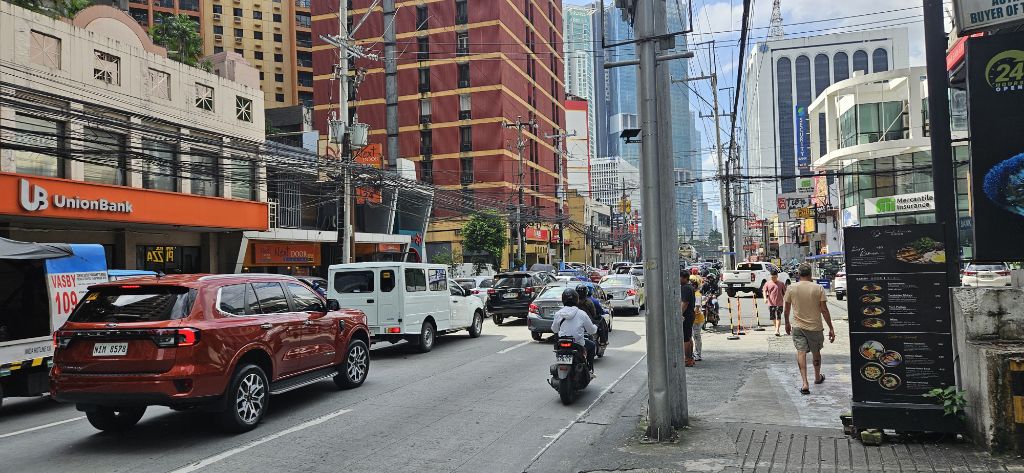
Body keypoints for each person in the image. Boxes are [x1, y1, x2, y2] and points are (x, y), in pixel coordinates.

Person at [784, 263, 836, 395]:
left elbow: (786, 310)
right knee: (816, 352)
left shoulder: (791, 288)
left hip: (798, 326)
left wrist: (787, 323)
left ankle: (804, 383)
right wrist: (831, 327)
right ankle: (817, 377)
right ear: (810, 273)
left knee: (800, 352)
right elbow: (824, 310)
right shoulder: (818, 288)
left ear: (798, 274)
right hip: (815, 327)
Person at [551, 287, 598, 375]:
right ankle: (590, 368)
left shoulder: (558, 314)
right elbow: (591, 330)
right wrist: (595, 327)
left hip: (561, 344)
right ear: (576, 299)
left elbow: (554, 329)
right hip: (577, 344)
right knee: (592, 346)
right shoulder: (581, 314)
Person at [680, 269, 697, 367]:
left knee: (685, 338)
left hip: (686, 315)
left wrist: (679, 314)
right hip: (690, 314)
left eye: (679, 277)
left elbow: (684, 303)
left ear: (684, 278)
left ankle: (687, 360)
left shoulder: (685, 288)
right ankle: (690, 358)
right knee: (688, 337)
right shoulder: (689, 287)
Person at [764, 269, 787, 336]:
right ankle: (776, 328)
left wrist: (787, 299)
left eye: (775, 277)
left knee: (778, 317)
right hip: (771, 304)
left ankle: (777, 330)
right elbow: (764, 291)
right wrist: (765, 298)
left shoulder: (781, 283)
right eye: (772, 277)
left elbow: (785, 293)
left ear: (777, 276)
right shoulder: (767, 283)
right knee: (773, 317)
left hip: (779, 303)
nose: (773, 279)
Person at [690, 275, 704, 361]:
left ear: (694, 285)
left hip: (697, 320)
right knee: (692, 337)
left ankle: (698, 354)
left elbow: (697, 307)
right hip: (693, 319)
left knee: (696, 337)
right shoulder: (692, 293)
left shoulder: (697, 294)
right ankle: (692, 353)